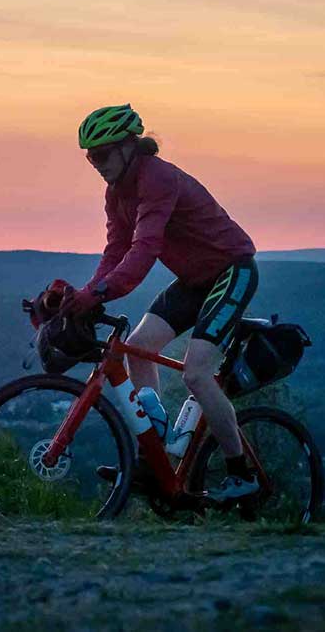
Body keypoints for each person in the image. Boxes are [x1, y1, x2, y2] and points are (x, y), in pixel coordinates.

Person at [64, 104, 260, 503]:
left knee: (197, 373)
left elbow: (144, 249)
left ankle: (243, 474)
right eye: (90, 157)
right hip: (193, 280)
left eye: (101, 154)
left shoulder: (156, 178)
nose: (96, 164)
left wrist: (100, 294)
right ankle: (155, 463)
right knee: (139, 351)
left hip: (231, 270)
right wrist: (87, 293)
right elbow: (116, 251)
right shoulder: (116, 192)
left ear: (128, 146)